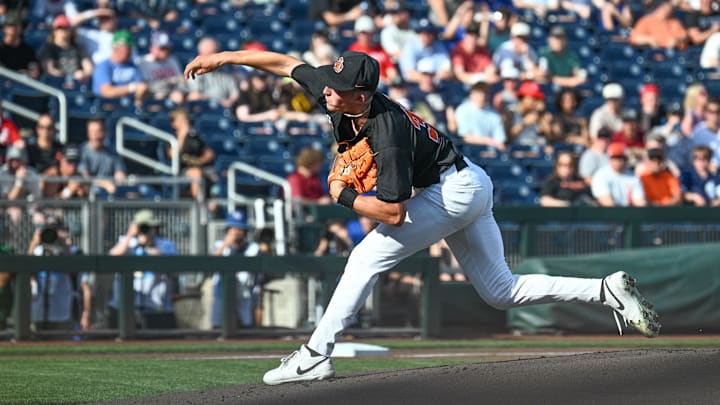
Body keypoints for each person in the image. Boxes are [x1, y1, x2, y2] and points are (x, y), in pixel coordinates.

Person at [184, 48, 661, 386]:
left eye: (339, 89)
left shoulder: (386, 132)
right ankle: (605, 290)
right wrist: (222, 59)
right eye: (330, 82)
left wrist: (342, 195)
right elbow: (285, 63)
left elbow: (391, 212)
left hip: (452, 192)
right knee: (501, 291)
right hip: (468, 180)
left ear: (363, 95)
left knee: (364, 258)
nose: (327, 92)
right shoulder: (337, 92)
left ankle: (314, 355)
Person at [108, 210, 177, 319]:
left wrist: (149, 245)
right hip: (127, 304)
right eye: (142, 227)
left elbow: (172, 268)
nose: (144, 230)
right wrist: (130, 235)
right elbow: (112, 257)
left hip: (156, 304)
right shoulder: (127, 242)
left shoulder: (165, 245)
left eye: (148, 227)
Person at [206, 211, 261, 328]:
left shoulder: (253, 247)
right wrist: (226, 244)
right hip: (222, 292)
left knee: (246, 328)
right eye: (233, 228)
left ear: (245, 231)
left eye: (239, 229)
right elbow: (210, 264)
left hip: (244, 293)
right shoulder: (219, 245)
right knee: (217, 327)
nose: (235, 232)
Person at [168, 108, 216, 200]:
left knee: (217, 176)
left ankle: (212, 209)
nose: (185, 122)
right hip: (181, 170)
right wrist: (182, 135)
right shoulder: (172, 139)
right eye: (181, 120)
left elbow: (209, 153)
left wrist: (200, 161)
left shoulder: (194, 136)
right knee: (195, 173)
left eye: (185, 120)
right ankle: (198, 203)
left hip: (199, 166)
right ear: (174, 124)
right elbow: (172, 155)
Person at [92, 30, 148, 104]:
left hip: (129, 107)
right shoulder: (103, 66)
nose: (130, 51)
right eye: (127, 48)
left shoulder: (133, 66)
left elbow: (141, 87)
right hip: (107, 107)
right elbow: (106, 92)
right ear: (116, 47)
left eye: (130, 48)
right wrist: (132, 88)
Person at [37, 14, 94, 83]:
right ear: (54, 30)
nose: (62, 31)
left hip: (76, 85)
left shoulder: (77, 49)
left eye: (65, 28)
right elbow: (49, 70)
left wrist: (83, 74)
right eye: (59, 28)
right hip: (54, 85)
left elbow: (88, 68)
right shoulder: (48, 48)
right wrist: (70, 76)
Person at [186, 37, 239, 108]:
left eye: (212, 53)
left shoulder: (225, 69)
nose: (209, 57)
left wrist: (230, 101)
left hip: (224, 108)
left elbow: (234, 93)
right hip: (203, 105)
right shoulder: (194, 68)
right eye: (206, 53)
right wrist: (219, 101)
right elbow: (195, 94)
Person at [77, 119, 127, 195]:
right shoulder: (82, 151)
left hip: (112, 189)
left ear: (105, 133)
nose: (96, 136)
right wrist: (105, 184)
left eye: (99, 131)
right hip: (91, 191)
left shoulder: (113, 152)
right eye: (93, 132)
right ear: (88, 133)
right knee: (97, 191)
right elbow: (86, 178)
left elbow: (120, 176)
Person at [453, 81, 506, 151]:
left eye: (485, 93)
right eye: (480, 93)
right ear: (471, 94)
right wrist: (490, 141)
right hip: (469, 150)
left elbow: (500, 140)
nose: (483, 96)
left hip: (490, 152)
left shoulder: (494, 115)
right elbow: (466, 138)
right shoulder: (463, 110)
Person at [591, 142, 647, 207]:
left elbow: (639, 200)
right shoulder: (601, 175)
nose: (618, 161)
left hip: (629, 212)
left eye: (621, 158)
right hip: (607, 213)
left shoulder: (633, 177)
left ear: (626, 159)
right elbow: (606, 201)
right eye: (615, 158)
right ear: (610, 159)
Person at [137, 31, 186, 105]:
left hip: (170, 93)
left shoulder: (172, 60)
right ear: (152, 48)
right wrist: (168, 81)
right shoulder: (143, 62)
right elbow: (146, 86)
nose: (165, 52)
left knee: (179, 97)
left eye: (167, 49)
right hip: (152, 95)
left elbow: (181, 80)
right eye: (162, 48)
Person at [398, 18, 453, 84]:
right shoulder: (410, 47)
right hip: (414, 85)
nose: (425, 36)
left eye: (428, 33)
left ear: (433, 34)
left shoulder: (439, 46)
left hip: (438, 85)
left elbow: (446, 71)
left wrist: (433, 79)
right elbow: (410, 74)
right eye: (422, 33)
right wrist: (430, 79)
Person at [349, 16, 398, 87]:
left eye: (367, 33)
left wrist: (388, 81)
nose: (365, 36)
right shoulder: (353, 50)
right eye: (362, 33)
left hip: (383, 86)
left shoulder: (381, 50)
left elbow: (392, 72)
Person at [26, 114, 63, 198]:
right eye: (41, 127)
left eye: (49, 127)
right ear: (37, 129)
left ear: (54, 129)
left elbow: (67, 169)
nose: (45, 130)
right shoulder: (29, 149)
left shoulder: (61, 149)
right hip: (33, 187)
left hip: (55, 187)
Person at [0, 12, 40, 79]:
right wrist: (16, 74)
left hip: (25, 85)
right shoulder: (1, 48)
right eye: (11, 25)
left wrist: (27, 73)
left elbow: (35, 72)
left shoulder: (28, 50)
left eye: (17, 25)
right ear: (4, 28)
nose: (14, 28)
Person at [691, 97, 720, 167]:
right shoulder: (698, 132)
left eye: (718, 112)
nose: (715, 115)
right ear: (705, 113)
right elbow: (694, 156)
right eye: (711, 112)